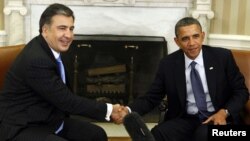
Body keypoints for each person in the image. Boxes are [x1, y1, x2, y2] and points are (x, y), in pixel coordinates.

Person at [0, 3, 122, 141]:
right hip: (23, 127)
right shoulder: (37, 60)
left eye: (71, 29)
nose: (68, 35)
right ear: (45, 30)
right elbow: (67, 101)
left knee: (96, 134)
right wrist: (109, 110)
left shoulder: (51, 49)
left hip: (49, 120)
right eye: (62, 28)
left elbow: (66, 97)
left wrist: (106, 110)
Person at [115, 17, 249, 141]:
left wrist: (224, 112)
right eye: (185, 38)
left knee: (203, 135)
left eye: (195, 36)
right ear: (177, 41)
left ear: (202, 36)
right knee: (158, 134)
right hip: (186, 120)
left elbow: (241, 91)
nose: (192, 43)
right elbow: (152, 98)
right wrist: (128, 110)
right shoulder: (168, 64)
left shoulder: (222, 57)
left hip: (219, 118)